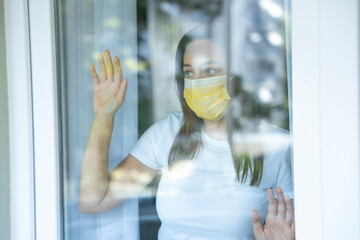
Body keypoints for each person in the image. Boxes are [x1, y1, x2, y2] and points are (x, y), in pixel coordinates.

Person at [78, 24, 295, 240]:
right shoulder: (167, 133)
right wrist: (103, 117)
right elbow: (93, 202)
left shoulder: (277, 146)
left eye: (210, 70)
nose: (198, 82)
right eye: (189, 72)